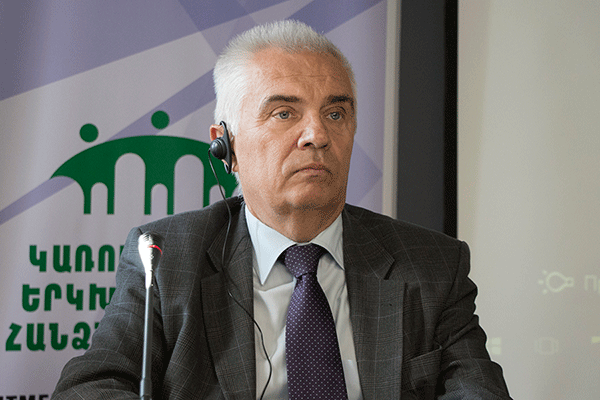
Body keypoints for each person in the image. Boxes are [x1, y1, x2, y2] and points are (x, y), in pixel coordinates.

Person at [52, 20, 511, 399]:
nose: (317, 135)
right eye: (284, 113)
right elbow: (88, 389)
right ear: (225, 145)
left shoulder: (431, 266)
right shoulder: (167, 258)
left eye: (335, 113)